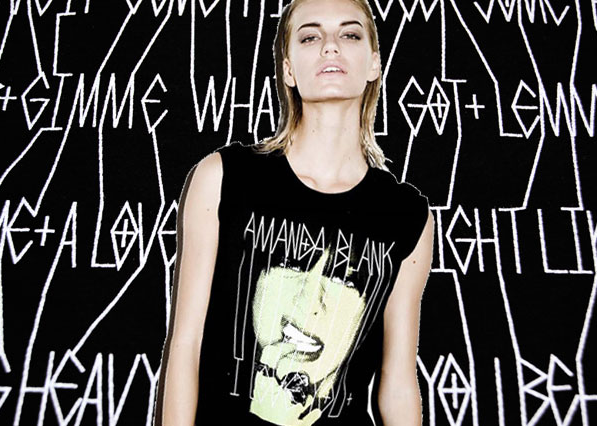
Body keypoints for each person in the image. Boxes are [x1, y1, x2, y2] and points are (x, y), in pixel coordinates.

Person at [154, 0, 434, 425]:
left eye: (350, 34)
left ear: (374, 63)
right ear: (288, 69)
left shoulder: (407, 215)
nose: (330, 46)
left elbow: (397, 383)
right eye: (309, 36)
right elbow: (185, 345)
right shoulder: (224, 177)